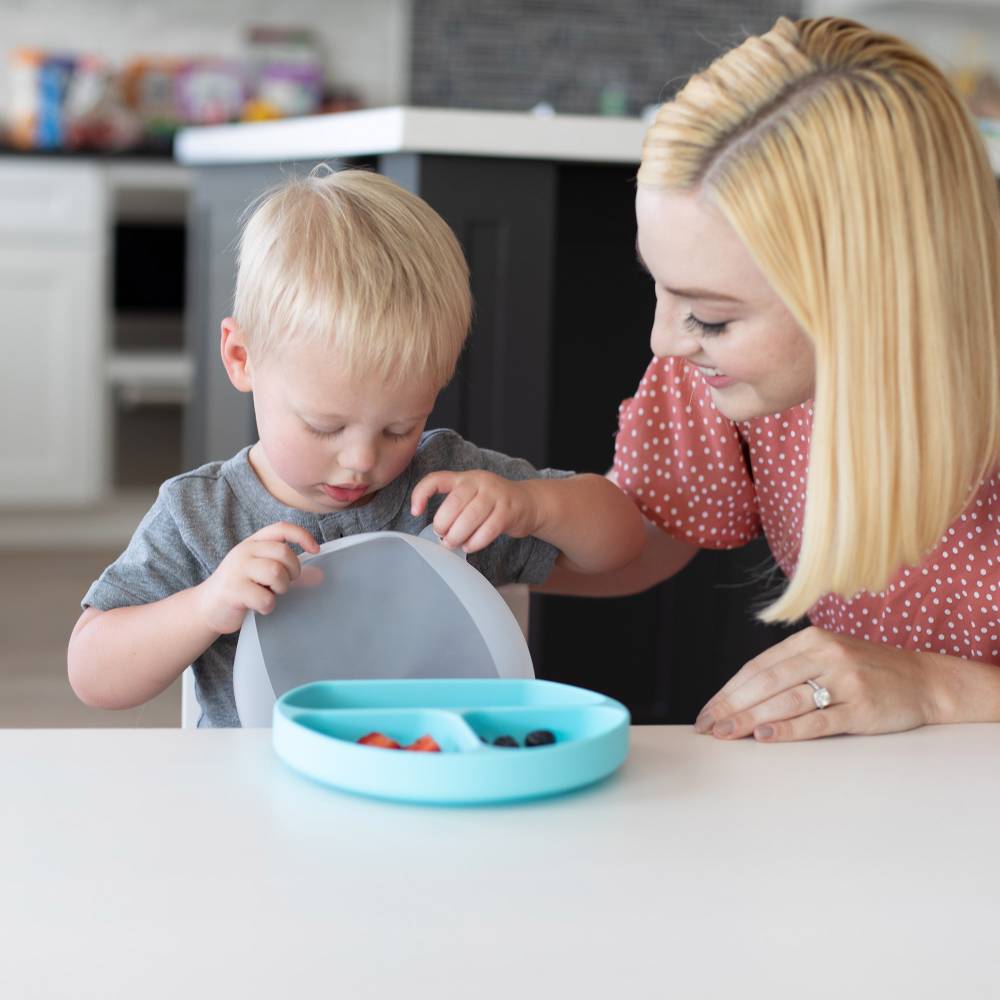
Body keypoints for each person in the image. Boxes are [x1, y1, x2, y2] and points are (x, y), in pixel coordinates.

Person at [541, 16, 1000, 741]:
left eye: (712, 318)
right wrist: (489, 540)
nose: (664, 341)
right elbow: (652, 528)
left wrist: (937, 688)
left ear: (873, 296)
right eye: (660, 289)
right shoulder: (725, 373)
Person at [68, 168, 645, 727]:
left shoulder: (448, 486)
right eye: (324, 426)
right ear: (242, 359)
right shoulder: (200, 515)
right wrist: (204, 606)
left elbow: (622, 542)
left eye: (401, 427)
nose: (362, 460)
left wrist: (535, 505)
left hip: (425, 784)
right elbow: (92, 673)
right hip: (257, 806)